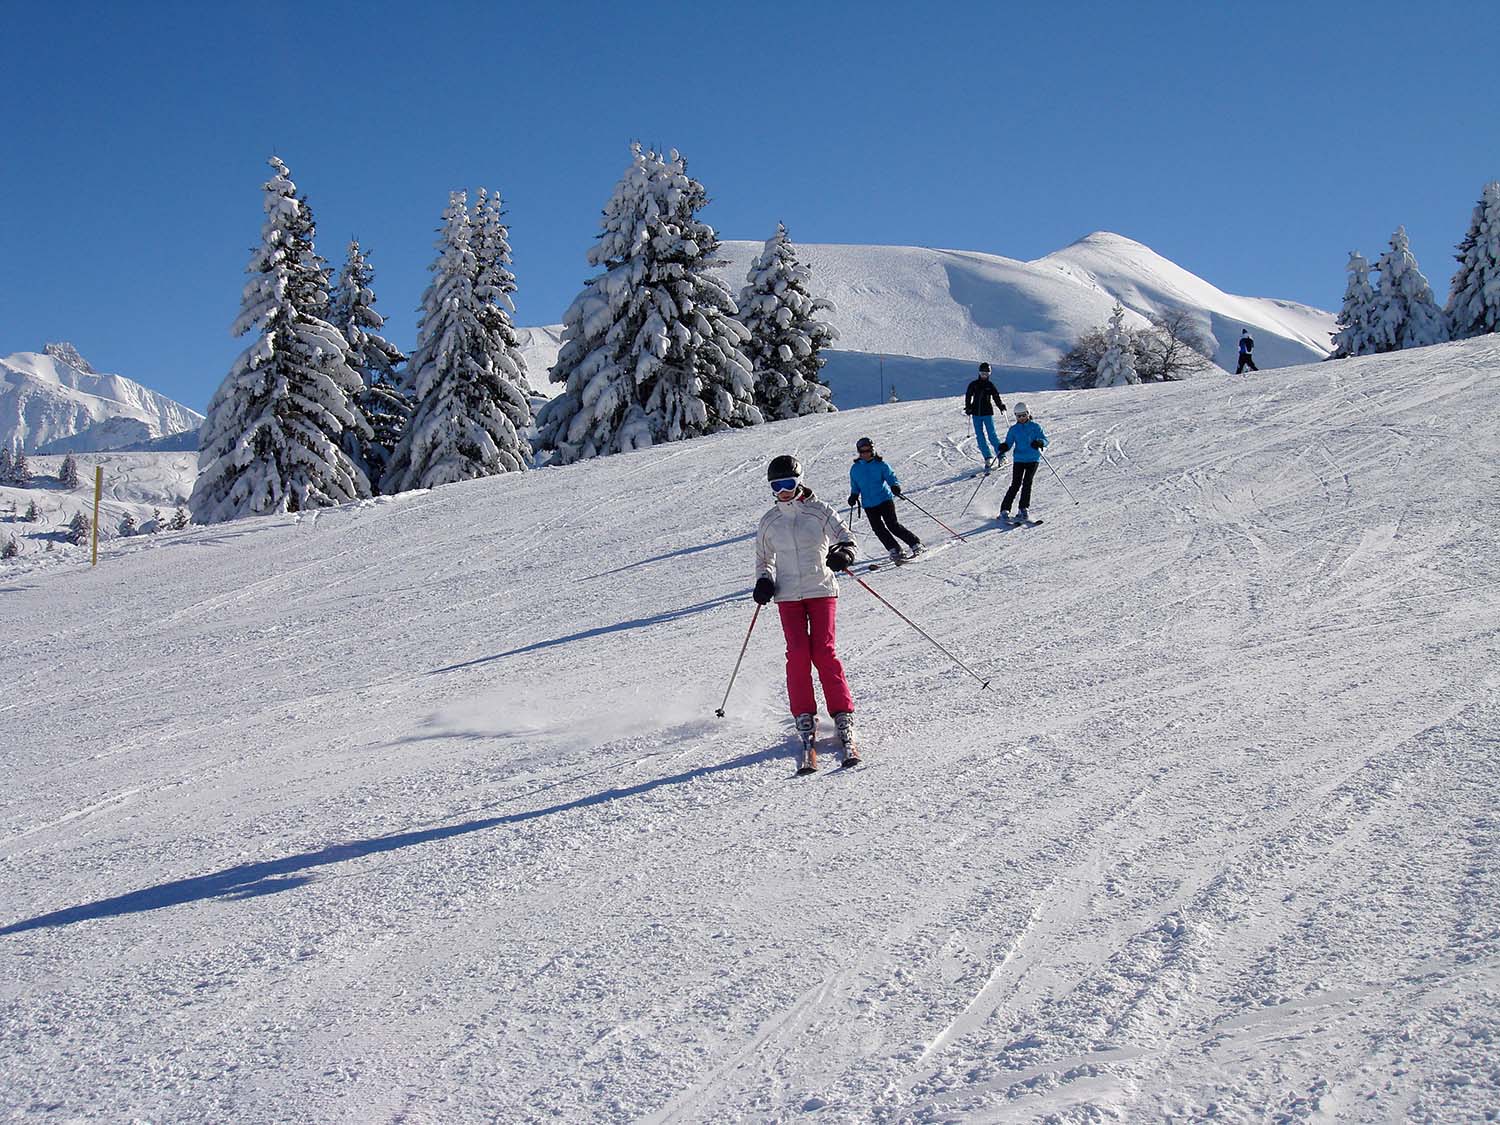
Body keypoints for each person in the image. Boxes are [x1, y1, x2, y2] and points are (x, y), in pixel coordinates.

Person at [754, 454, 860, 772]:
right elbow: (764, 560)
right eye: (777, 486)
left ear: (799, 482)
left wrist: (844, 554)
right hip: (787, 596)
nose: (784, 491)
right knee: (798, 654)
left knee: (824, 653)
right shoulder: (769, 521)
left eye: (789, 484)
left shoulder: (820, 511)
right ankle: (804, 715)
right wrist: (764, 581)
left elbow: (847, 538)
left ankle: (842, 715)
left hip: (821, 590)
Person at [846, 436, 922, 564]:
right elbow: (855, 485)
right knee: (878, 529)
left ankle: (915, 544)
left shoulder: (880, 465)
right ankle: (895, 549)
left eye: (868, 451)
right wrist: (853, 495)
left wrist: (894, 486)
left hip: (884, 499)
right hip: (869, 504)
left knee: (892, 525)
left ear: (872, 450)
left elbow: (891, 477)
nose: (865, 454)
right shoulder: (855, 469)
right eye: (862, 451)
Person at [997, 402, 1048, 522]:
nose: (1021, 418)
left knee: (1027, 483)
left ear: (1028, 413)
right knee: (1015, 484)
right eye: (1018, 416)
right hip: (1019, 459)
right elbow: (1009, 443)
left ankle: (1023, 508)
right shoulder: (1014, 429)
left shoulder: (1035, 427)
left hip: (1033, 459)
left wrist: (1040, 443)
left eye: (1023, 415)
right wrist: (1004, 446)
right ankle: (1005, 509)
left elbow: (1045, 440)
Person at [964, 361, 1007, 469]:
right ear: (979, 373)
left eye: (986, 374)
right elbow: (968, 396)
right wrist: (968, 407)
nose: (984, 376)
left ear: (989, 374)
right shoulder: (973, 384)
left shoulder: (990, 385)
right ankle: (987, 457)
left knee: (992, 435)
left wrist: (1000, 406)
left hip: (987, 413)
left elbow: (996, 397)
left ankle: (1001, 456)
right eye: (982, 373)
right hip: (976, 414)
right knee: (980, 437)